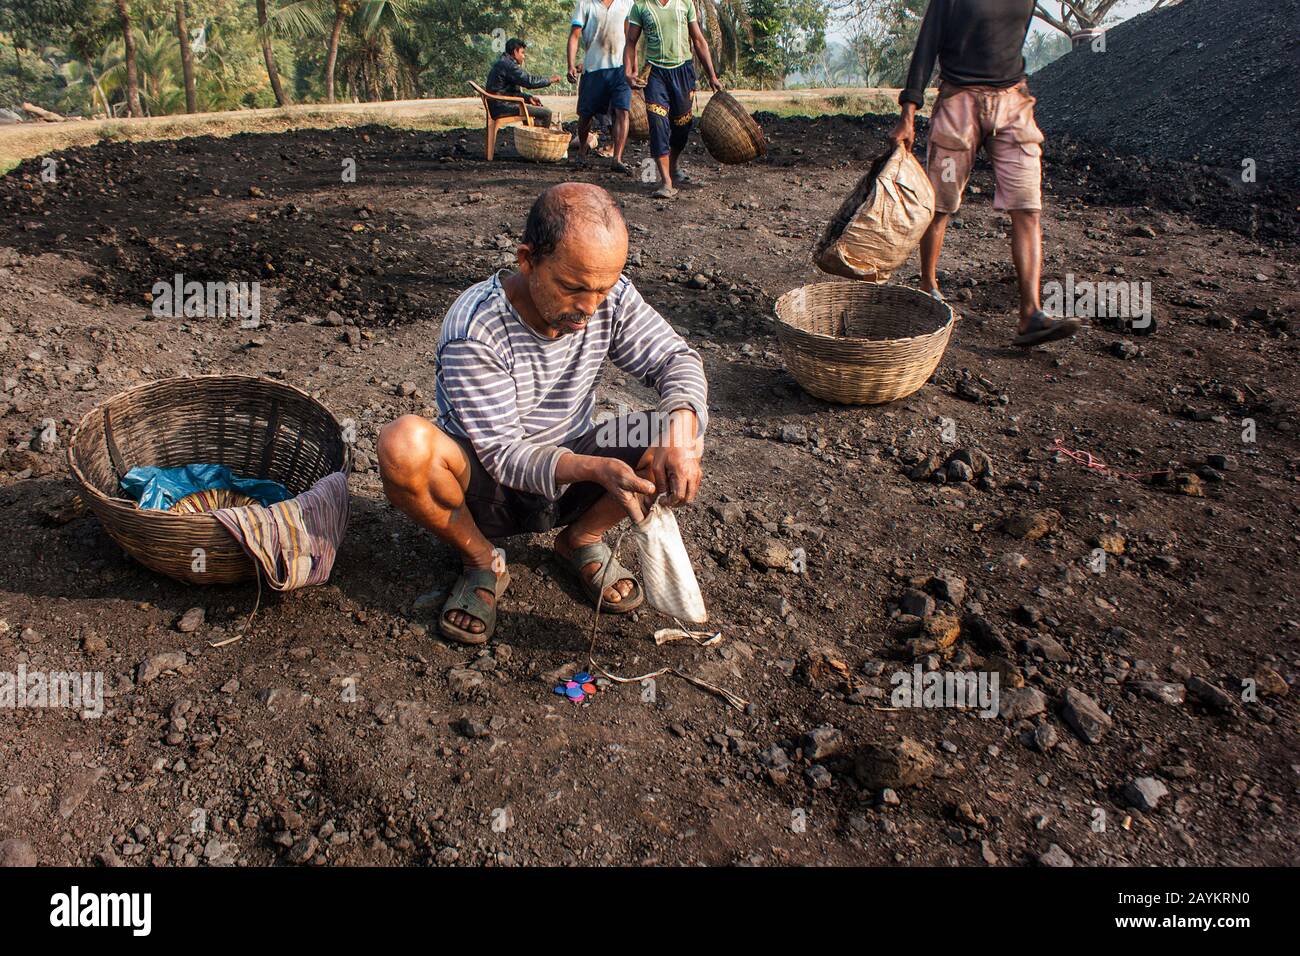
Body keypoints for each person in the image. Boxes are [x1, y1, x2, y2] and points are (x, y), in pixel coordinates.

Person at [377, 183, 708, 646]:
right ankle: (480, 560)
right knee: (402, 446)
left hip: (571, 472)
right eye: (573, 288)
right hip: (488, 488)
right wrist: (594, 467)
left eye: (603, 289)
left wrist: (681, 429)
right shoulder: (476, 328)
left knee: (676, 428)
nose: (589, 309)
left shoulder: (606, 297)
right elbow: (505, 454)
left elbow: (676, 360)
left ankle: (580, 538)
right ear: (527, 259)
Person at [888, 0, 1080, 347]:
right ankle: (928, 288)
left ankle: (1031, 314)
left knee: (1028, 207)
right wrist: (908, 112)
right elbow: (926, 45)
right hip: (958, 104)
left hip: (1013, 104)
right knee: (941, 205)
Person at [624, 0, 722, 198]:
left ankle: (673, 164)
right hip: (655, 73)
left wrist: (712, 75)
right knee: (658, 124)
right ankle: (666, 182)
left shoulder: (684, 3)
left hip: (683, 72)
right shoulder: (640, 7)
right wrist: (628, 72)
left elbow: (699, 40)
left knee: (682, 126)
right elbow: (631, 42)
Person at [568, 0, 635, 172]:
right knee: (586, 114)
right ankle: (582, 152)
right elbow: (575, 35)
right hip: (593, 68)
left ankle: (617, 158)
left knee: (622, 111)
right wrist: (570, 64)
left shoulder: (627, 3)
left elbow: (631, 37)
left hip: (620, 69)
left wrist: (632, 65)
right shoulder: (585, 4)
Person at [486, 37, 561, 129]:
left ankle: (530, 139)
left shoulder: (503, 63)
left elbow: (509, 93)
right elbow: (529, 81)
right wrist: (550, 80)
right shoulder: (508, 65)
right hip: (502, 107)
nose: (523, 56)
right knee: (546, 113)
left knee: (534, 111)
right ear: (515, 52)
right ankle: (537, 142)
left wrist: (528, 98)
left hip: (499, 105)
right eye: (522, 53)